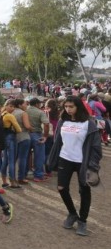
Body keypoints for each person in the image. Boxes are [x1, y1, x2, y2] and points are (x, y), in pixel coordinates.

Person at [47, 95, 102, 236]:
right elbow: (57, 141)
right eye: (66, 106)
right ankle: (72, 213)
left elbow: (96, 147)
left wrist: (93, 165)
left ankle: (82, 221)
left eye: (71, 106)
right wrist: (52, 158)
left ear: (78, 106)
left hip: (82, 162)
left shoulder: (89, 123)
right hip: (65, 158)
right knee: (61, 188)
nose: (68, 109)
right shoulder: (62, 121)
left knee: (84, 190)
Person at [0, 99, 22, 188]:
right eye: (11, 106)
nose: (12, 108)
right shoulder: (10, 116)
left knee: (5, 160)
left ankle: (4, 181)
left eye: (13, 107)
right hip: (11, 138)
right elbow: (19, 129)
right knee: (12, 160)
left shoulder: (2, 114)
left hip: (4, 138)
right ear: (6, 105)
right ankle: (13, 181)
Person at [27, 98, 50, 182]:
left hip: (25, 134)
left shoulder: (25, 110)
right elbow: (46, 124)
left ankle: (25, 173)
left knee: (26, 155)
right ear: (37, 104)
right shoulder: (40, 112)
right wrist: (45, 136)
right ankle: (38, 175)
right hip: (37, 134)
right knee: (39, 156)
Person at [12, 98, 32, 185]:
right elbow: (27, 126)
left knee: (12, 159)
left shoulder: (11, 112)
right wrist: (32, 129)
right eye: (25, 104)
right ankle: (21, 177)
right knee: (23, 158)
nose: (26, 105)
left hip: (13, 137)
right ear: (20, 105)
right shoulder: (23, 113)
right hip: (24, 136)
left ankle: (11, 178)